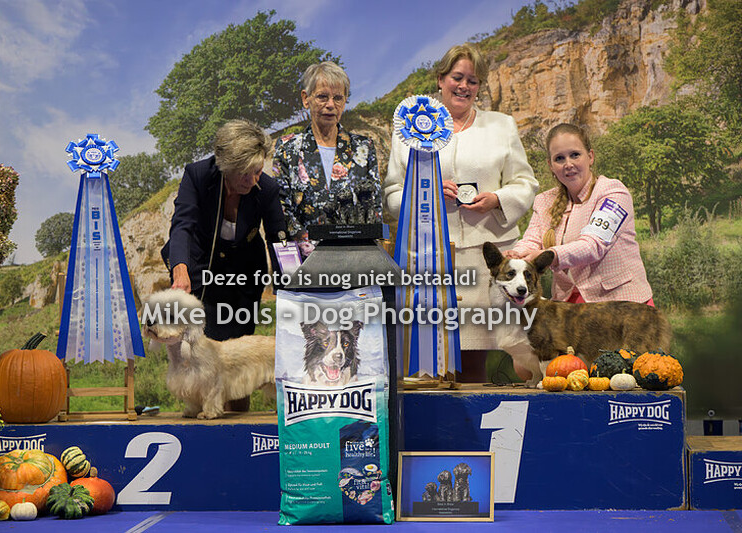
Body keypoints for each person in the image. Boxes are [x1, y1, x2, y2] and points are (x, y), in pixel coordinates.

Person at [383, 43, 538, 382]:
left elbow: (526, 184)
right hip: (432, 260)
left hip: (491, 263)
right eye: (457, 77)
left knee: (485, 362)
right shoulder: (409, 130)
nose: (464, 86)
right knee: (431, 365)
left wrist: (497, 199)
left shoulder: (502, 126)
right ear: (440, 79)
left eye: (474, 80)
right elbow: (391, 196)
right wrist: (422, 193)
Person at [162, 119, 286, 410]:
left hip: (244, 278)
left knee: (241, 353)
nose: (253, 180)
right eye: (245, 174)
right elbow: (182, 225)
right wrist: (179, 267)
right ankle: (201, 414)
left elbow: (279, 242)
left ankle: (239, 423)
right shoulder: (197, 175)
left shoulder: (266, 188)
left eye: (258, 171)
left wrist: (288, 289)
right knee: (204, 352)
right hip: (203, 271)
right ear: (225, 166)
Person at [507, 123, 654, 305]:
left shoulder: (614, 192)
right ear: (550, 165)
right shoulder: (544, 200)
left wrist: (549, 255)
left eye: (575, 155)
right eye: (559, 158)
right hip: (569, 305)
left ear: (590, 156)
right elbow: (532, 239)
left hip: (623, 306)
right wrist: (516, 255)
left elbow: (593, 245)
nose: (568, 164)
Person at [272, 61, 382, 257]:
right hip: (307, 266)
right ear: (306, 99)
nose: (331, 105)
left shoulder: (364, 147)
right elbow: (281, 209)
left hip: (356, 262)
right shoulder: (287, 148)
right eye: (322, 96)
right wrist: (313, 250)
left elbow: (374, 210)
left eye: (338, 98)